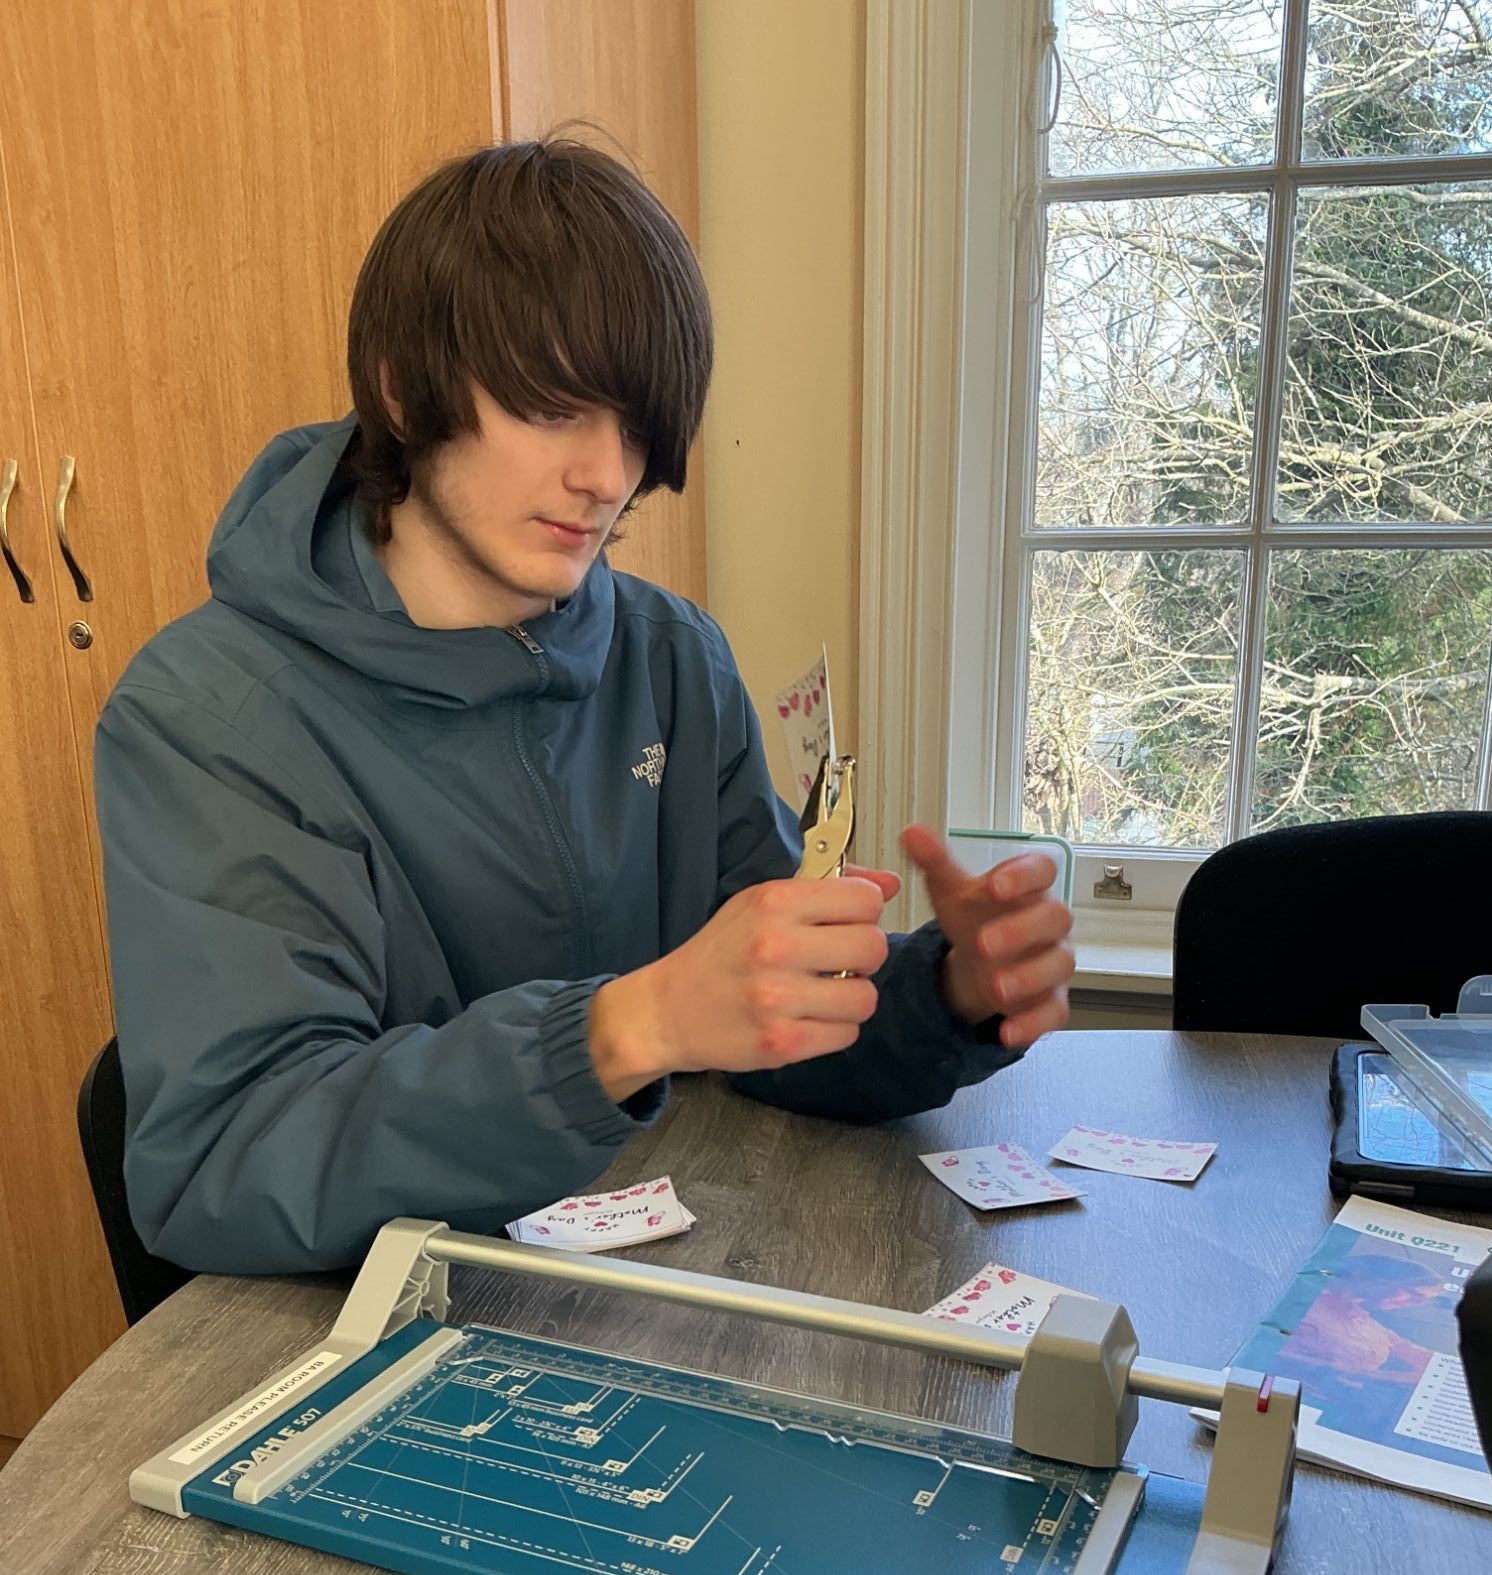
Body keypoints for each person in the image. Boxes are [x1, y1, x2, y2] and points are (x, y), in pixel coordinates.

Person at [94, 138, 1074, 1276]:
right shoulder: (207, 714)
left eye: (638, 427)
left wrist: (945, 991)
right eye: (553, 407)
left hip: (642, 1293)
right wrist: (624, 1028)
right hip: (359, 1341)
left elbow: (766, 1026)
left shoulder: (670, 656)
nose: (607, 475)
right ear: (406, 393)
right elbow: (226, 1162)